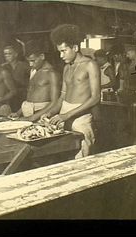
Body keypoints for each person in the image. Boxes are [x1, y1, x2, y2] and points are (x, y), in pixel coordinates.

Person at [42, 24, 100, 158]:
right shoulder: (66, 67)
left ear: (75, 47)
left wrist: (67, 115)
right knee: (64, 158)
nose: (61, 56)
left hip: (81, 118)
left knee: (81, 159)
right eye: (59, 52)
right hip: (64, 117)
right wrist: (50, 112)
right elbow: (62, 97)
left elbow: (95, 98)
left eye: (64, 51)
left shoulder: (90, 65)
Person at [8, 39, 61, 122]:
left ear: (42, 56)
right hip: (28, 113)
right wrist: (18, 113)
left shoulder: (52, 73)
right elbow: (30, 96)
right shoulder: (34, 71)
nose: (30, 64)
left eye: (33, 61)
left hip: (40, 115)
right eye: (28, 61)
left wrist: (33, 117)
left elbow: (55, 102)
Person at [2, 41, 30, 112]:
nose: (7, 56)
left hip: (23, 96)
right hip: (10, 98)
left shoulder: (24, 66)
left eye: (9, 53)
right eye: (5, 54)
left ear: (16, 54)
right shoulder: (3, 67)